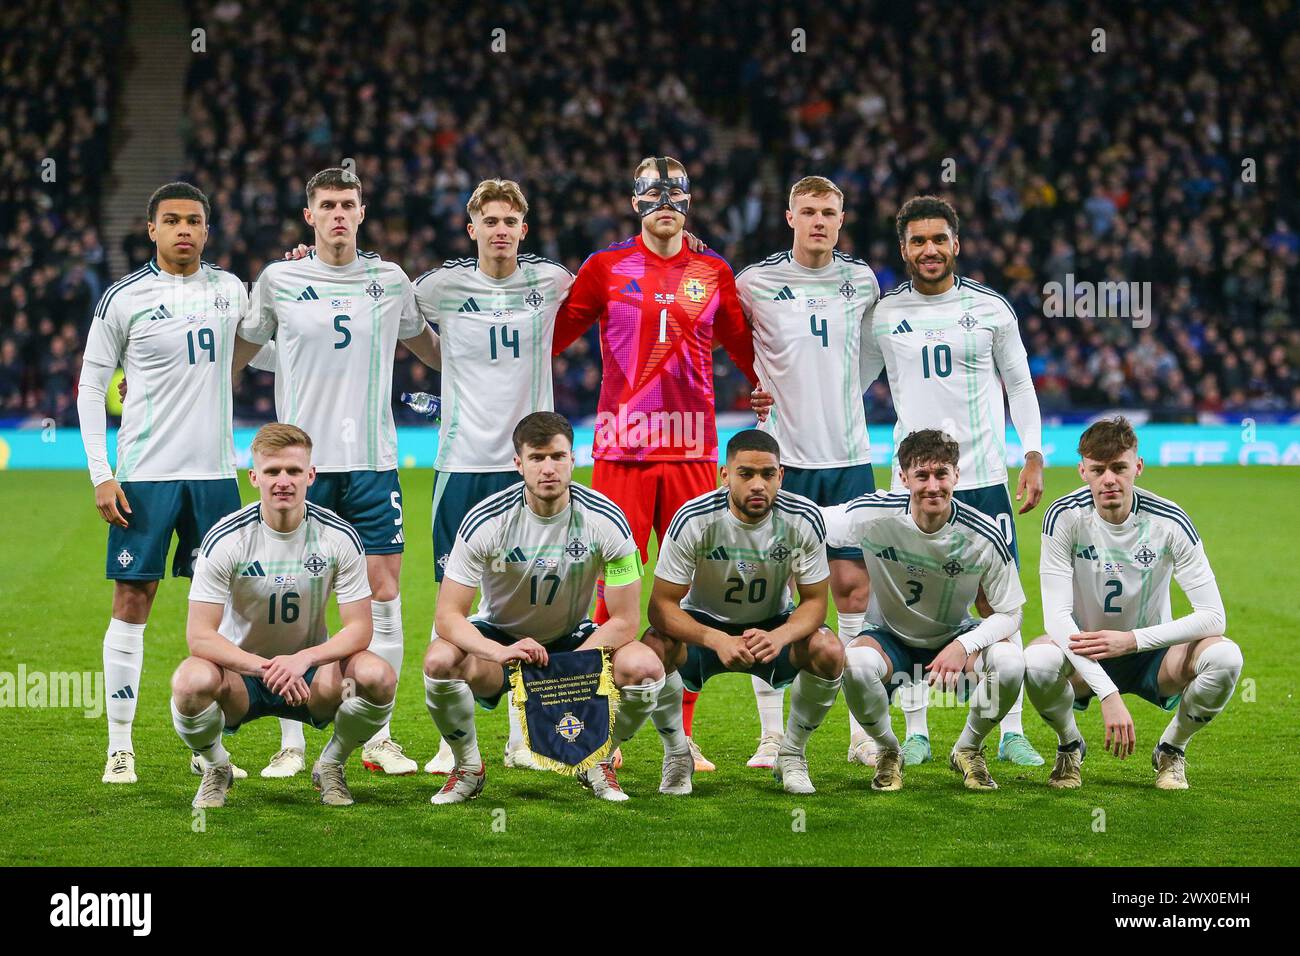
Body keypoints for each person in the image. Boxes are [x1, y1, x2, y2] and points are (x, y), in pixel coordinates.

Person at [552, 155, 760, 772]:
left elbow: (745, 343)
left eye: (675, 193)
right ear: (635, 201)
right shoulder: (604, 268)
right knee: (608, 596)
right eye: (652, 193)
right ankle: (591, 738)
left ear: (689, 203)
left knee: (689, 599)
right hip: (622, 452)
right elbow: (551, 335)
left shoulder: (713, 270)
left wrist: (760, 384)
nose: (663, 201)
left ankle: (681, 740)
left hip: (694, 452)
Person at [236, 167, 440, 778]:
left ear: (362, 211)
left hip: (374, 464)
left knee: (382, 597)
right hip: (303, 469)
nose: (338, 215)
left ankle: (376, 735)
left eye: (348, 204)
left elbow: (431, 348)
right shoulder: (279, 279)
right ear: (309, 215)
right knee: (294, 602)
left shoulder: (389, 280)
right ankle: (292, 743)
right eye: (327, 206)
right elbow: (241, 353)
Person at [857, 195, 1045, 768]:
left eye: (939, 239)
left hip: (984, 478)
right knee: (909, 602)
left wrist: (1033, 454)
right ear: (904, 249)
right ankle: (915, 730)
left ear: (956, 244)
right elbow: (851, 382)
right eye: (918, 241)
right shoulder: (885, 314)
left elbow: (1020, 383)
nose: (930, 249)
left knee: (997, 604)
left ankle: (1009, 730)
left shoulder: (990, 308)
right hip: (911, 484)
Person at [77, 181, 252, 784]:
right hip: (145, 477)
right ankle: (120, 747)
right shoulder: (122, 299)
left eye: (195, 221)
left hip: (214, 477)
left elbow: (267, 347)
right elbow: (89, 388)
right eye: (172, 220)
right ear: (150, 229)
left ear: (208, 230)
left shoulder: (231, 290)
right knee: (132, 602)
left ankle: (209, 748)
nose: (184, 229)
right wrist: (103, 475)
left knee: (227, 614)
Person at [413, 179, 575, 776]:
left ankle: (518, 736)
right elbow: (404, 325)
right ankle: (449, 741)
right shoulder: (440, 286)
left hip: (530, 469)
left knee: (520, 602)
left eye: (511, 220)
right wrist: (447, 359)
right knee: (453, 597)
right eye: (491, 220)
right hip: (460, 463)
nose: (501, 230)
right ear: (471, 227)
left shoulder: (552, 281)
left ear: (523, 230)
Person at [424, 412, 665, 803]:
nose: (548, 468)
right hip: (500, 640)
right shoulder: (485, 520)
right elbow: (448, 616)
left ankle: (597, 760)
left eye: (557, 456)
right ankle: (467, 767)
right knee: (439, 661)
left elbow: (625, 619)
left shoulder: (607, 519)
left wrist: (568, 666)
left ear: (574, 459)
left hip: (572, 641)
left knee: (645, 668)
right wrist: (501, 653)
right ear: (518, 464)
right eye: (537, 458)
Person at [171, 423, 394, 809]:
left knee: (377, 676)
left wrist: (304, 659)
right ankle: (215, 766)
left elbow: (360, 629)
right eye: (272, 472)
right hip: (241, 680)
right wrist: (264, 668)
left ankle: (330, 764)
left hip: (314, 681)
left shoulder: (338, 536)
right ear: (254, 476)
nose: (283, 481)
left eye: (293, 471)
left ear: (310, 475)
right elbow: (200, 637)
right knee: (190, 682)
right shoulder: (225, 539)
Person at [737, 175, 880, 769]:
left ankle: (860, 730)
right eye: (808, 211)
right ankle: (773, 735)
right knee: (773, 594)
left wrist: (844, 391)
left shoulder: (862, 280)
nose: (819, 220)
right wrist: (751, 385)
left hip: (848, 460)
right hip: (782, 463)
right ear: (789, 216)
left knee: (854, 595)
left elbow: (874, 352)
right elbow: (724, 335)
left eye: (829, 212)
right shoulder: (756, 282)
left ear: (841, 220)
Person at [1025, 416, 1242, 789]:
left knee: (1226, 658)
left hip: (1154, 655)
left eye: (1119, 468)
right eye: (1098, 470)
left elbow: (1213, 616)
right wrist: (1108, 693)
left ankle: (1171, 749)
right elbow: (1057, 618)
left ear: (1137, 467)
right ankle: (1069, 746)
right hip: (1086, 649)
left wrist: (1132, 640)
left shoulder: (1169, 521)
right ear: (1082, 471)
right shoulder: (1063, 517)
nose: (1109, 479)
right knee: (1037, 661)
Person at [642, 429, 844, 796]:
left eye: (768, 475)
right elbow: (660, 606)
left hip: (773, 627)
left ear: (781, 476)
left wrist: (780, 635)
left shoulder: (803, 518)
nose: (758, 485)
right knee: (652, 649)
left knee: (829, 650)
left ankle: (792, 753)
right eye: (745, 474)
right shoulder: (694, 518)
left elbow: (815, 601)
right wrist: (714, 638)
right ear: (725, 475)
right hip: (704, 626)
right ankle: (677, 754)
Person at [829, 429, 1027, 791]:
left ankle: (969, 748)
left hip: (953, 637)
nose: (933, 486)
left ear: (956, 475)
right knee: (853, 665)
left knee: (1012, 662)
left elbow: (1011, 613)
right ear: (904, 478)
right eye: (922, 475)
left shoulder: (983, 534)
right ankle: (889, 750)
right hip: (889, 639)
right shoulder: (874, 513)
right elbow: (813, 523)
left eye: (941, 474)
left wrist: (964, 646)